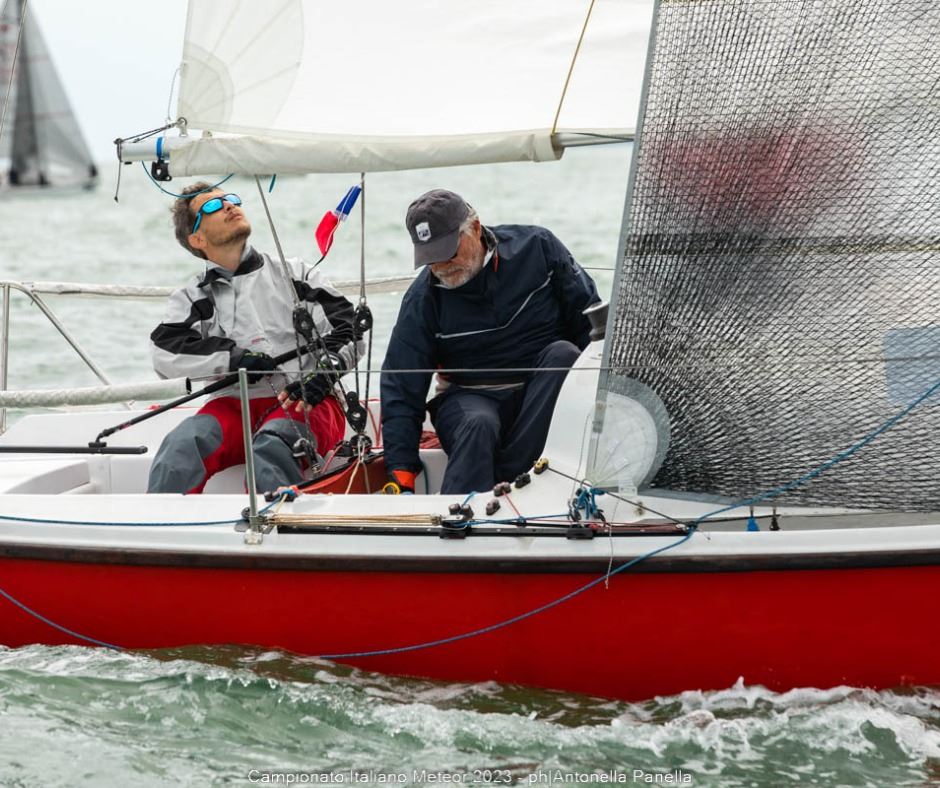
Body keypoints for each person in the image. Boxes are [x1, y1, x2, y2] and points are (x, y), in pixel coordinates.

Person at [381, 189, 600, 495]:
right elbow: (401, 384)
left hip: (541, 391)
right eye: (431, 258)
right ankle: (463, 513)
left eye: (448, 252)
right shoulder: (422, 299)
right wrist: (401, 472)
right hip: (469, 398)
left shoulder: (539, 247)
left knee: (565, 355)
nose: (442, 266)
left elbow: (591, 327)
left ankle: (505, 487)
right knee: (478, 424)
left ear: (475, 228)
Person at [147, 182, 361, 494]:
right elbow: (165, 352)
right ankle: (161, 525)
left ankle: (279, 521)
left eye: (231, 200)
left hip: (307, 400)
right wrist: (233, 359)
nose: (229, 206)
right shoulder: (191, 297)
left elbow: (350, 327)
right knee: (179, 449)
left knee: (271, 447)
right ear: (197, 239)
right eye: (212, 206)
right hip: (233, 406)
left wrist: (323, 375)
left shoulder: (296, 274)